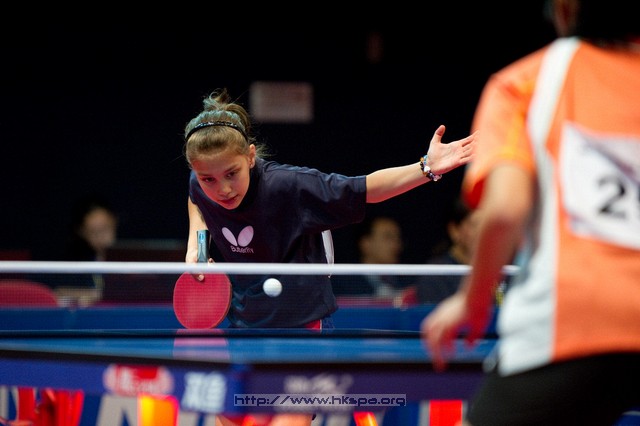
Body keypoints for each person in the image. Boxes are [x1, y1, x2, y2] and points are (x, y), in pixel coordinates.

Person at [183, 88, 476, 426]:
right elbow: (196, 199)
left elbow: (365, 189)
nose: (222, 189)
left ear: (250, 157)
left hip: (302, 328)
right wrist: (196, 245)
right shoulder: (199, 184)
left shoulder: (288, 186)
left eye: (231, 174)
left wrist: (426, 168)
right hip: (245, 326)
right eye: (209, 178)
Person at [421, 1, 640, 425]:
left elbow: (505, 211)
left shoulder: (526, 81)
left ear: (564, 10)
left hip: (573, 325)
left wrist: (473, 301)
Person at [413, 196, 480, 304]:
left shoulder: (497, 270)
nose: (482, 231)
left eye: (487, 224)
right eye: (474, 225)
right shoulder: (435, 274)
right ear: (454, 230)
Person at [332, 215, 410, 301]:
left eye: (398, 238)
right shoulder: (343, 283)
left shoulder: (409, 282)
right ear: (366, 243)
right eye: (388, 237)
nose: (396, 244)